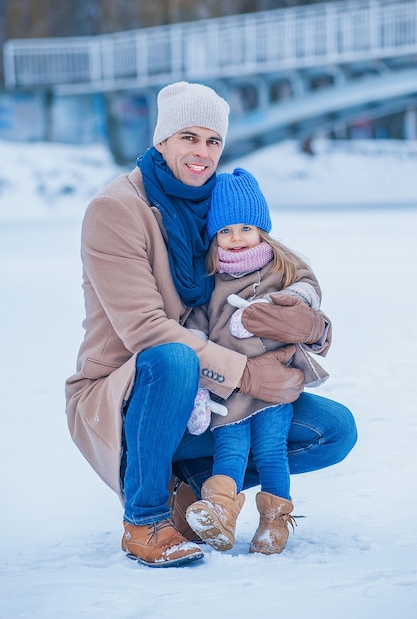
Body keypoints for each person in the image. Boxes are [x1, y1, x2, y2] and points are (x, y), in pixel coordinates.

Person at [65, 81, 357, 569]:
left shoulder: (218, 207)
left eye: (213, 141)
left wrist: (310, 326)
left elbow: (274, 276)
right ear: (161, 140)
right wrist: (248, 375)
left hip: (209, 393)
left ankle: (194, 490)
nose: (202, 153)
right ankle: (146, 518)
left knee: (332, 430)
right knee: (173, 358)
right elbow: (147, 332)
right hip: (131, 393)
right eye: (189, 137)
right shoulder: (115, 211)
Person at [184, 167, 331, 555]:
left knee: (270, 450)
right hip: (231, 388)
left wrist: (285, 306)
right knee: (229, 451)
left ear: (262, 230)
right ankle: (221, 512)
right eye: (225, 231)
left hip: (275, 383)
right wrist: (200, 383)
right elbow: (196, 324)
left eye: (246, 228)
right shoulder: (211, 280)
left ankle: (274, 521)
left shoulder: (281, 267)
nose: (236, 239)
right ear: (214, 236)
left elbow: (308, 287)